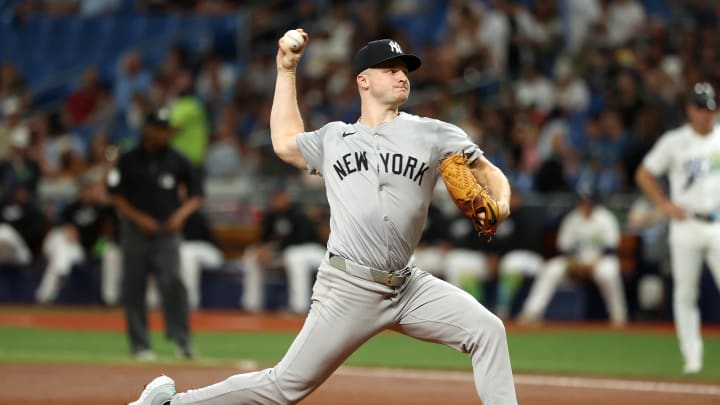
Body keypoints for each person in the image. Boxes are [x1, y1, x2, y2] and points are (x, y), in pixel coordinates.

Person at [129, 32, 516, 405]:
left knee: (488, 331)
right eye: (390, 68)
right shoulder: (334, 138)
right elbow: (283, 141)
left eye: (404, 69)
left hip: (408, 285)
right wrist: (287, 69)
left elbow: (486, 171)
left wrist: (502, 200)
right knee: (284, 387)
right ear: (363, 81)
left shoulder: (433, 133)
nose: (401, 75)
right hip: (349, 287)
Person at [635, 81, 720, 374]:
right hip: (685, 223)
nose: (705, 115)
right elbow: (645, 173)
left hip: (717, 222)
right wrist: (663, 205)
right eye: (699, 108)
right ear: (689, 110)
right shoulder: (675, 141)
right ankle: (692, 357)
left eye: (709, 108)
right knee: (685, 293)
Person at [108, 108, 202, 360]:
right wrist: (139, 218)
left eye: (166, 129)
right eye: (160, 129)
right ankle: (140, 344)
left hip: (167, 229)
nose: (164, 134)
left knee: (172, 281)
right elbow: (116, 196)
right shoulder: (128, 160)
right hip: (135, 230)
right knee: (134, 284)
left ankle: (182, 340)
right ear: (148, 129)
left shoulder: (177, 160)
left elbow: (196, 195)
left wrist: (179, 217)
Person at [518, 189, 628, 327]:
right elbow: (564, 248)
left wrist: (593, 264)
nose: (585, 205)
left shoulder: (605, 218)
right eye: (582, 202)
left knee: (608, 274)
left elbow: (610, 249)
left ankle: (618, 318)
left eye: (588, 202)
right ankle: (531, 313)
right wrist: (575, 264)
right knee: (551, 269)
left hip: (599, 261)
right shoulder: (573, 218)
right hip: (575, 262)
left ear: (594, 202)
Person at [34, 169, 114, 304]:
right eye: (83, 189)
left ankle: (45, 296)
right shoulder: (71, 207)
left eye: (89, 189)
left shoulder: (101, 209)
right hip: (59, 242)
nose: (86, 192)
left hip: (77, 250)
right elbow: (57, 225)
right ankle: (60, 274)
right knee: (61, 241)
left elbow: (109, 227)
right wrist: (68, 229)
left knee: (62, 252)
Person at [241, 187, 325, 314]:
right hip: (286, 252)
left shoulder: (298, 213)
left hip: (311, 250)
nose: (277, 201)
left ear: (287, 198)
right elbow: (264, 238)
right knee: (252, 254)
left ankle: (299, 307)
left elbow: (300, 239)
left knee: (294, 257)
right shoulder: (272, 215)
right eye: (275, 198)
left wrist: (273, 252)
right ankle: (252, 304)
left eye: (281, 197)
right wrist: (261, 249)